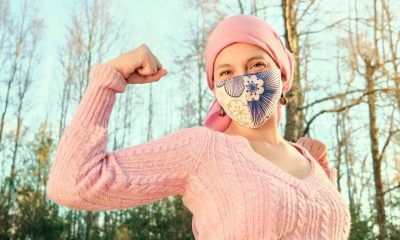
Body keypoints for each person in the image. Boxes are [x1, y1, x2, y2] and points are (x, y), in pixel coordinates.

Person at [46, 14, 351, 239]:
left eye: (256, 65)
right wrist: (109, 79)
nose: (243, 81)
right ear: (216, 88)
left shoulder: (310, 160)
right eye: (227, 72)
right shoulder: (204, 149)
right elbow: (72, 183)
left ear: (283, 75)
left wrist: (323, 174)